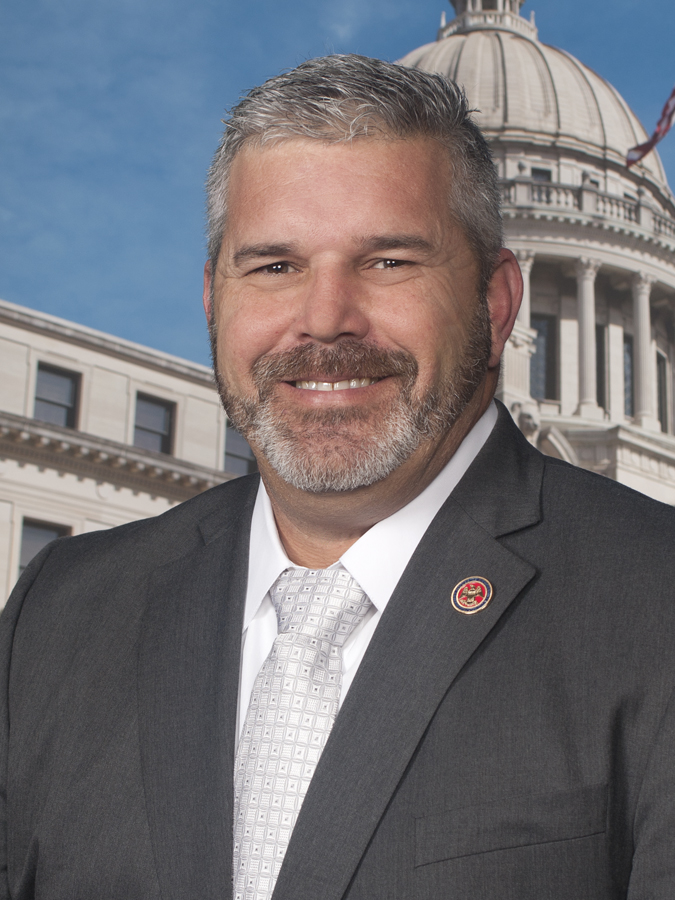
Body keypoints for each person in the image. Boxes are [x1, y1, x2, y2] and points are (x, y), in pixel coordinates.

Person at [1, 54, 674, 900]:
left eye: (389, 261)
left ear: (498, 304)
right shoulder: (60, 615)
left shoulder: (651, 594)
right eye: (274, 265)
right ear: (214, 300)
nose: (323, 320)